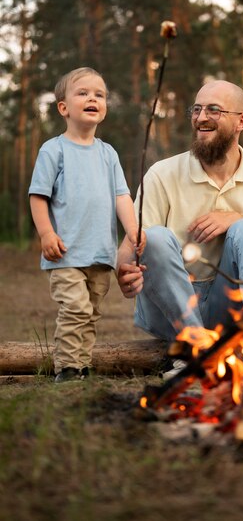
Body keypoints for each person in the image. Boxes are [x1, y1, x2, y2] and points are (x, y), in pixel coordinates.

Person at [117, 79, 243, 372]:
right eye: (196, 110)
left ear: (241, 121)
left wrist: (237, 218)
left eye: (214, 110)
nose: (201, 117)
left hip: (231, 305)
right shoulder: (163, 173)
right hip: (170, 307)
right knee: (153, 236)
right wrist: (123, 269)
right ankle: (195, 346)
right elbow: (132, 245)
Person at [29, 67, 142, 383]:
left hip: (100, 255)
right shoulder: (55, 150)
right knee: (75, 309)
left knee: (90, 313)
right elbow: (38, 196)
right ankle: (66, 368)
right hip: (65, 252)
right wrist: (47, 233)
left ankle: (81, 365)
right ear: (63, 107)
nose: (93, 98)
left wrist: (133, 229)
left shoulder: (108, 153)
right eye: (83, 93)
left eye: (100, 94)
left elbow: (122, 196)